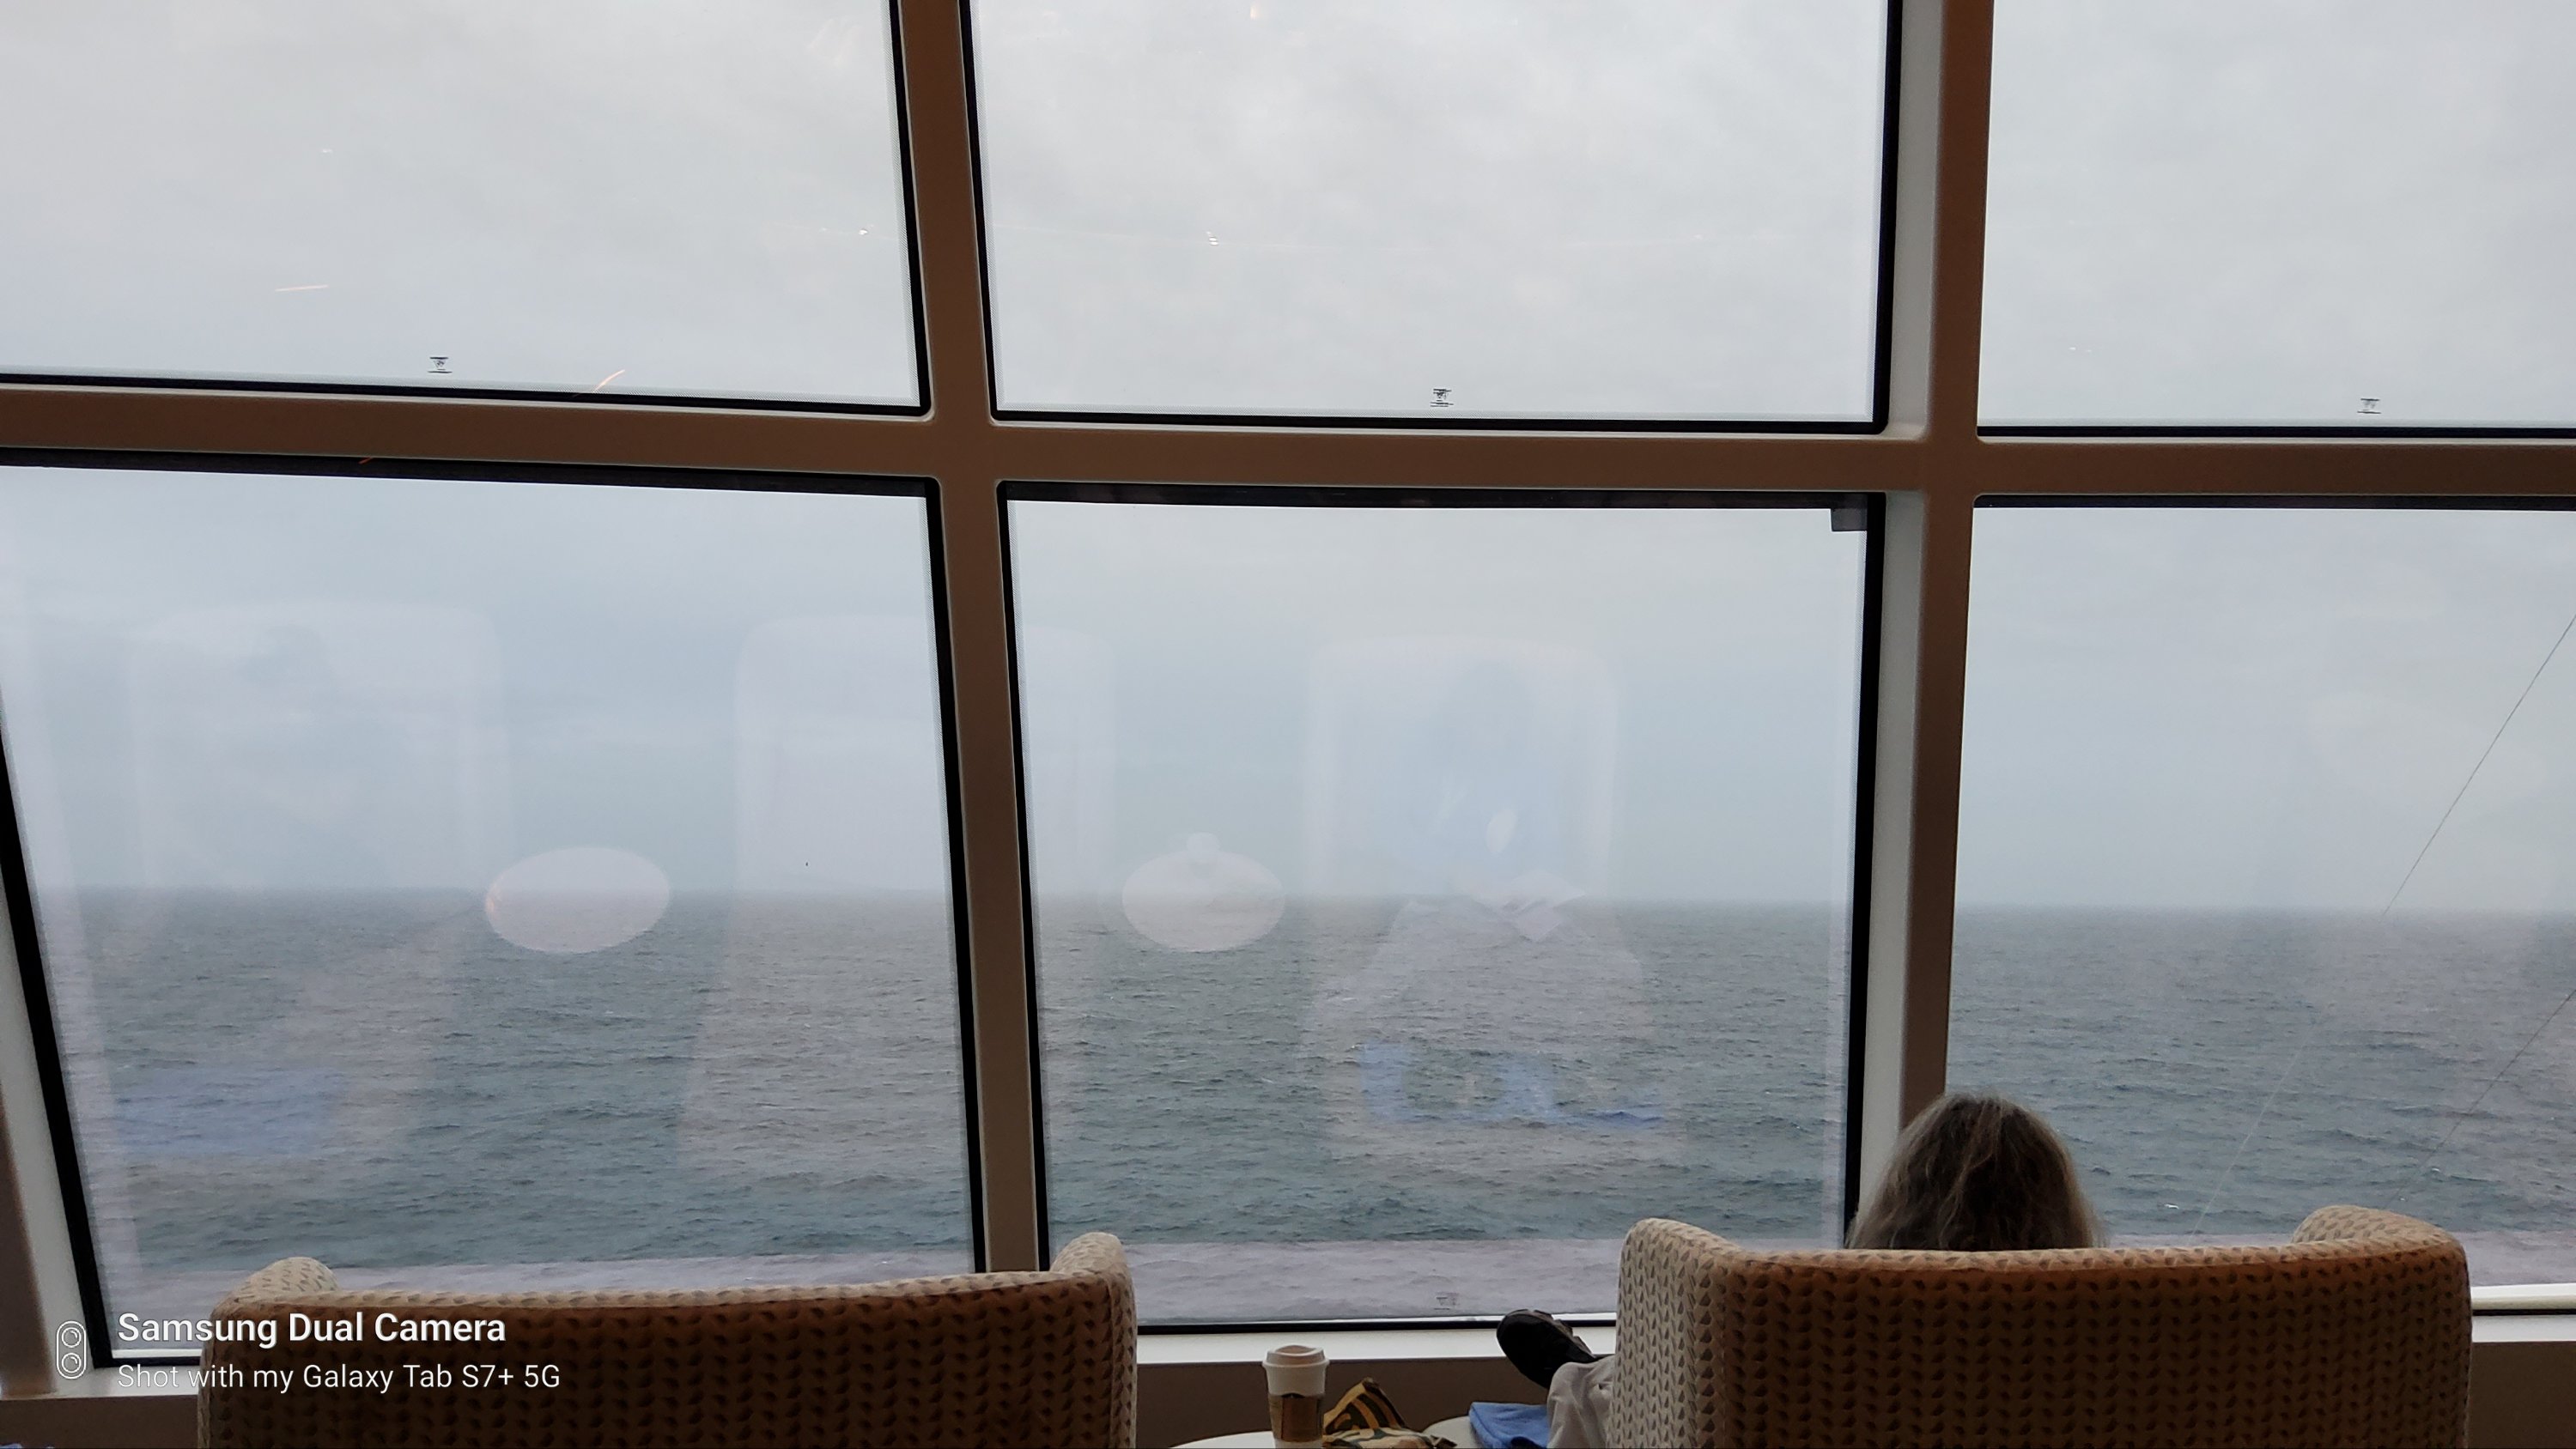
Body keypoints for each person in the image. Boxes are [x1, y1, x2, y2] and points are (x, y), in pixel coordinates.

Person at [1496, 1093, 2102, 1449]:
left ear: (1897, 1206)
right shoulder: (2117, 1350)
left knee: (1627, 1397)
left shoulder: (1830, 1342)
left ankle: (1577, 1372)